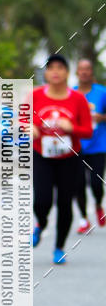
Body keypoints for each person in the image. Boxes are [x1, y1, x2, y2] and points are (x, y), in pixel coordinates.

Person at [32, 53, 93, 264]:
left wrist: (72, 128)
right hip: (42, 156)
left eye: (60, 67)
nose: (55, 71)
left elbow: (87, 131)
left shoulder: (78, 99)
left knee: (65, 203)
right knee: (42, 199)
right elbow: (21, 120)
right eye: (51, 68)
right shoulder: (35, 95)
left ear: (67, 73)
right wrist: (30, 127)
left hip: (70, 157)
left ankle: (59, 247)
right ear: (46, 73)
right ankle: (40, 223)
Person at [73, 58, 106, 233]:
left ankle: (99, 204)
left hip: (98, 146)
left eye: (87, 69)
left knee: (95, 183)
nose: (84, 72)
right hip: (76, 147)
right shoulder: (71, 93)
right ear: (77, 72)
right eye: (81, 69)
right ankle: (83, 219)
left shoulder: (102, 92)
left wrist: (102, 118)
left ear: (91, 72)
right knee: (78, 184)